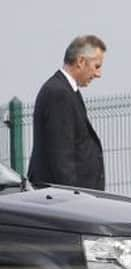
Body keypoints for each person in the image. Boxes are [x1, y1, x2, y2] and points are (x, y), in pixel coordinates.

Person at [28, 35, 106, 190]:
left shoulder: (67, 90)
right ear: (81, 62)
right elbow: (61, 157)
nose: (98, 74)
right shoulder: (59, 94)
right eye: (96, 66)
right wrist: (72, 200)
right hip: (65, 202)